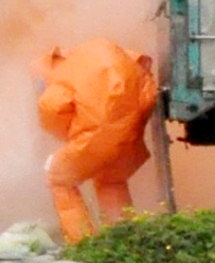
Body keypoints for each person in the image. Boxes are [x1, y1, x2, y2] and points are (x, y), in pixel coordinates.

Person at [35, 39, 158, 244]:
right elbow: (148, 95)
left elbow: (53, 110)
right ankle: (125, 243)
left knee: (58, 177)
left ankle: (81, 244)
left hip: (93, 138)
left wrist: (70, 136)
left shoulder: (59, 75)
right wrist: (130, 128)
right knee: (111, 181)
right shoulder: (105, 54)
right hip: (128, 140)